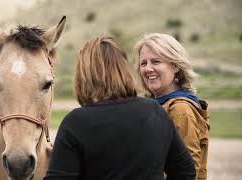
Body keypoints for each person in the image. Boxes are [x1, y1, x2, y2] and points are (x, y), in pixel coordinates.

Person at [44, 36, 196, 180]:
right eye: (143, 63)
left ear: (84, 73)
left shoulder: (75, 123)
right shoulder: (154, 111)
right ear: (124, 68)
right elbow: (186, 171)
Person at [134, 33, 210, 180]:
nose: (148, 69)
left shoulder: (180, 109)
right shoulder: (158, 105)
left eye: (155, 61)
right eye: (143, 63)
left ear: (175, 65)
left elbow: (187, 172)